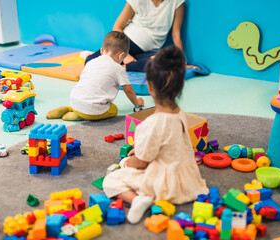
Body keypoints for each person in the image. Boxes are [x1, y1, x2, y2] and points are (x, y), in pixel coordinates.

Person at [102, 45, 208, 224]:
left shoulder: (150, 124)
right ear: (180, 86)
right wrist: (140, 150)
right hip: (187, 179)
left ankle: (137, 200)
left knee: (111, 180)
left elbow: (142, 162)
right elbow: (166, 143)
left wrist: (127, 162)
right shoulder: (179, 113)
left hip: (163, 183)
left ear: (150, 86)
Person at [46, 31, 144, 121]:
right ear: (121, 55)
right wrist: (136, 102)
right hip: (91, 109)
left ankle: (69, 109)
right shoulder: (118, 69)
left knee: (86, 99)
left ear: (101, 51)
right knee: (113, 109)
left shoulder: (91, 62)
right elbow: (128, 89)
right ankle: (80, 116)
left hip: (75, 101)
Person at [84, 0, 200, 72]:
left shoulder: (177, 2)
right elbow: (117, 27)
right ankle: (116, 60)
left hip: (148, 51)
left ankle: (123, 66)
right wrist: (126, 55)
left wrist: (181, 62)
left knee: (166, 60)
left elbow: (176, 34)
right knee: (90, 61)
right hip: (126, 44)